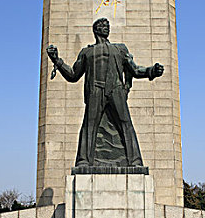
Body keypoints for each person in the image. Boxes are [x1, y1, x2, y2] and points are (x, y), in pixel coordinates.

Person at [47, 18, 164, 167]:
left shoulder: (120, 49)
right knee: (89, 125)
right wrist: (57, 60)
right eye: (102, 26)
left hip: (115, 89)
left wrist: (151, 71)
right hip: (95, 90)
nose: (106, 28)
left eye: (107, 26)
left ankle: (135, 161)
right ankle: (84, 160)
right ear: (95, 30)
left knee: (125, 123)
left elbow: (134, 69)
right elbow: (73, 75)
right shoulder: (87, 52)